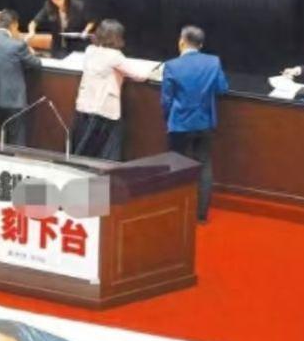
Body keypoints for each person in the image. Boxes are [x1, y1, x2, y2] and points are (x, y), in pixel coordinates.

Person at [162, 26, 229, 224]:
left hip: (179, 124)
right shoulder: (213, 62)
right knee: (204, 165)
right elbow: (222, 88)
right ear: (200, 45)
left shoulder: (172, 66)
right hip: (204, 122)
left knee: (177, 167)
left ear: (181, 42)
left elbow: (166, 100)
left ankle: (177, 210)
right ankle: (201, 215)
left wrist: (168, 119)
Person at [71, 20, 149, 161]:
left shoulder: (90, 50)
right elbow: (140, 76)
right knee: (106, 153)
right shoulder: (115, 56)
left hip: (84, 107)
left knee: (84, 150)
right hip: (104, 111)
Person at [0, 10, 41, 146]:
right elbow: (36, 64)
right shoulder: (18, 45)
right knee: (16, 142)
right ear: (14, 25)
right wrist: (30, 50)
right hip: (13, 101)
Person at [28, 0, 93, 56]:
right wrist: (31, 31)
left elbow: (92, 20)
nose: (55, 1)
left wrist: (86, 30)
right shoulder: (49, 5)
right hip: (57, 46)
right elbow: (34, 22)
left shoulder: (78, 5)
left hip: (76, 45)